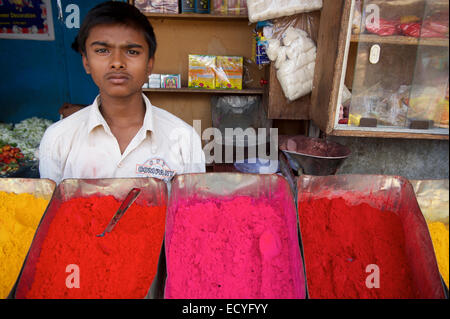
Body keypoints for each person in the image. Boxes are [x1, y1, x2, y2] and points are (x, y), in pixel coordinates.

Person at [39, 1, 205, 184]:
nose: (117, 62)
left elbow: (191, 208)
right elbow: (51, 209)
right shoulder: (59, 138)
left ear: (149, 64)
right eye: (102, 50)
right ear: (86, 62)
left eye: (132, 52)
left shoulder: (183, 138)